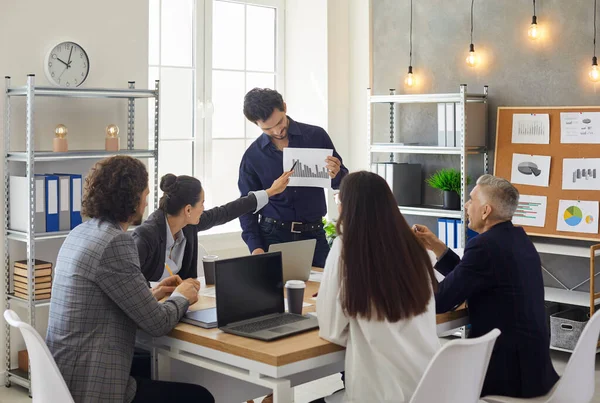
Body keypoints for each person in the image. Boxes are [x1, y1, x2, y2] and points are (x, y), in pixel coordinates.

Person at [46, 156, 214, 403]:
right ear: (132, 198)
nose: (147, 202)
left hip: (64, 376)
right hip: (94, 384)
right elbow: (156, 324)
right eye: (145, 194)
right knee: (200, 397)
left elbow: (103, 302)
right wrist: (182, 296)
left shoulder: (81, 232)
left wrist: (151, 295)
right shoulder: (116, 241)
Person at [413, 174, 559, 399]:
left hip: (507, 372)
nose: (466, 205)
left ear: (485, 211)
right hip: (534, 367)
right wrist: (438, 247)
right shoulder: (518, 238)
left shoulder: (484, 246)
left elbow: (441, 301)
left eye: (471, 200)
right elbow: (472, 275)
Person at [313, 171, 440, 403]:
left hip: (379, 395)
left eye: (339, 201)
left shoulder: (346, 247)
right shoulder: (416, 248)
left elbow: (331, 328)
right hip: (426, 389)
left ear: (347, 207)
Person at [238, 88, 348, 268]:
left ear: (284, 107)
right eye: (267, 128)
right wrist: (256, 247)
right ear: (256, 125)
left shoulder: (316, 136)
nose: (277, 131)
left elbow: (343, 182)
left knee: (326, 289)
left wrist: (337, 174)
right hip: (272, 234)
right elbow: (246, 205)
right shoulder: (252, 156)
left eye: (279, 122)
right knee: (275, 293)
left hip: (314, 233)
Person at [133, 171, 292, 281]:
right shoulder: (146, 236)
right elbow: (131, 285)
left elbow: (226, 212)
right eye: (202, 203)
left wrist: (270, 192)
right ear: (188, 209)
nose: (204, 208)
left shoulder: (188, 225)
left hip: (179, 306)